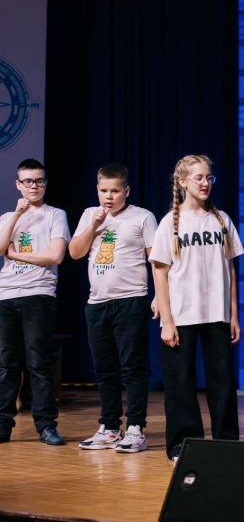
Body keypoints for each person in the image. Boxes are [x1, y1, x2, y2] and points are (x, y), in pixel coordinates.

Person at [149, 155, 244, 462]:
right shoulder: (169, 223)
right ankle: (182, 445)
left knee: (222, 382)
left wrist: (233, 314)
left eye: (208, 178)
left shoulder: (222, 220)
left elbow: (230, 270)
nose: (205, 183)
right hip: (181, 314)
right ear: (182, 182)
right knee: (180, 383)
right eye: (198, 178)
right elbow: (160, 272)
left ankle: (226, 442)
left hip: (217, 313)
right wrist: (167, 320)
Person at [70, 164, 158, 453]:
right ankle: (109, 427)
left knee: (132, 367)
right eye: (104, 191)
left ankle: (135, 429)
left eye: (115, 191)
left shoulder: (143, 217)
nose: (109, 196)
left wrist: (159, 296)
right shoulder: (89, 215)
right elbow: (75, 252)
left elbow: (155, 260)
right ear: (97, 190)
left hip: (131, 300)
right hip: (97, 303)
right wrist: (94, 225)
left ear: (126, 191)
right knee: (105, 369)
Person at [0, 159, 70, 445]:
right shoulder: (7, 217)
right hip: (6, 294)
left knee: (38, 362)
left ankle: (46, 426)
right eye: (28, 181)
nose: (34, 186)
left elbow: (55, 256)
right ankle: (2, 425)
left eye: (39, 181)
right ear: (18, 184)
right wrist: (17, 216)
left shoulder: (55, 214)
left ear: (45, 183)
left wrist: (16, 255)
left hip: (39, 293)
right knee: (7, 364)